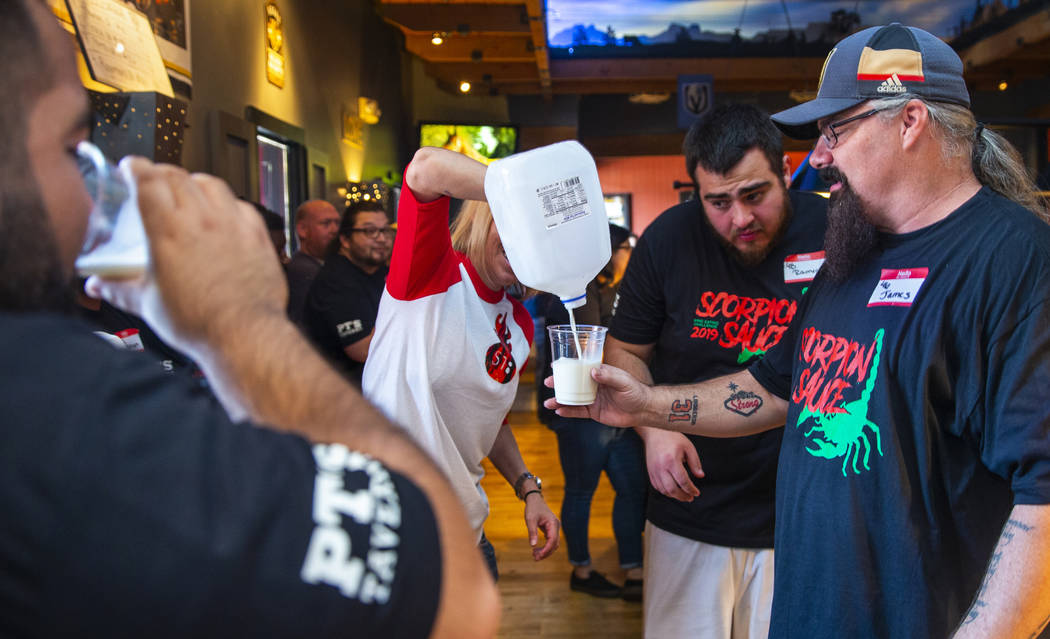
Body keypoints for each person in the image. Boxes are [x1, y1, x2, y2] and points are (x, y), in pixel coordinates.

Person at [0, 2, 500, 637]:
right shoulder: (61, 413)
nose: (98, 179)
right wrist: (242, 322)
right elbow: (457, 598)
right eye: (75, 146)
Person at [550, 23, 1050, 639]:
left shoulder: (1015, 260)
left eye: (835, 129)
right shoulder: (853, 250)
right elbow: (774, 388)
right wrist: (648, 407)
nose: (820, 155)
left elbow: (1044, 495)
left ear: (910, 121)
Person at [604, 102, 827, 637]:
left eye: (755, 195)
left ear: (786, 171)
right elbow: (624, 351)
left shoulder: (833, 230)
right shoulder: (668, 239)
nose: (740, 219)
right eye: (719, 202)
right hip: (690, 509)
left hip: (805, 512)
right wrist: (654, 429)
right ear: (697, 192)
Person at [363, 146, 561, 579]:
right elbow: (425, 168)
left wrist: (529, 489)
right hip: (396, 544)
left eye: (535, 231)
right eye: (510, 221)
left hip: (469, 540)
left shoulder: (520, 324)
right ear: (483, 215)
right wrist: (520, 192)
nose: (520, 238)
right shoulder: (431, 273)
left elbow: (489, 422)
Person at [535, 223, 647, 600]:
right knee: (582, 491)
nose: (630, 255)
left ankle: (634, 570)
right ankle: (581, 570)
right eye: (625, 248)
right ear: (608, 253)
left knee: (631, 488)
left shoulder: (612, 289)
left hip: (615, 407)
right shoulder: (577, 294)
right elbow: (590, 347)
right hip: (581, 407)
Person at [303, 200, 394, 385]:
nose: (381, 238)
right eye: (369, 231)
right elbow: (362, 350)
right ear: (344, 239)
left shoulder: (379, 271)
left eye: (385, 230)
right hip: (338, 391)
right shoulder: (335, 280)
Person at [286, 199, 340, 323]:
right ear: (302, 230)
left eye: (337, 223)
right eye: (326, 223)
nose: (334, 230)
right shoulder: (303, 270)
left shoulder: (323, 265)